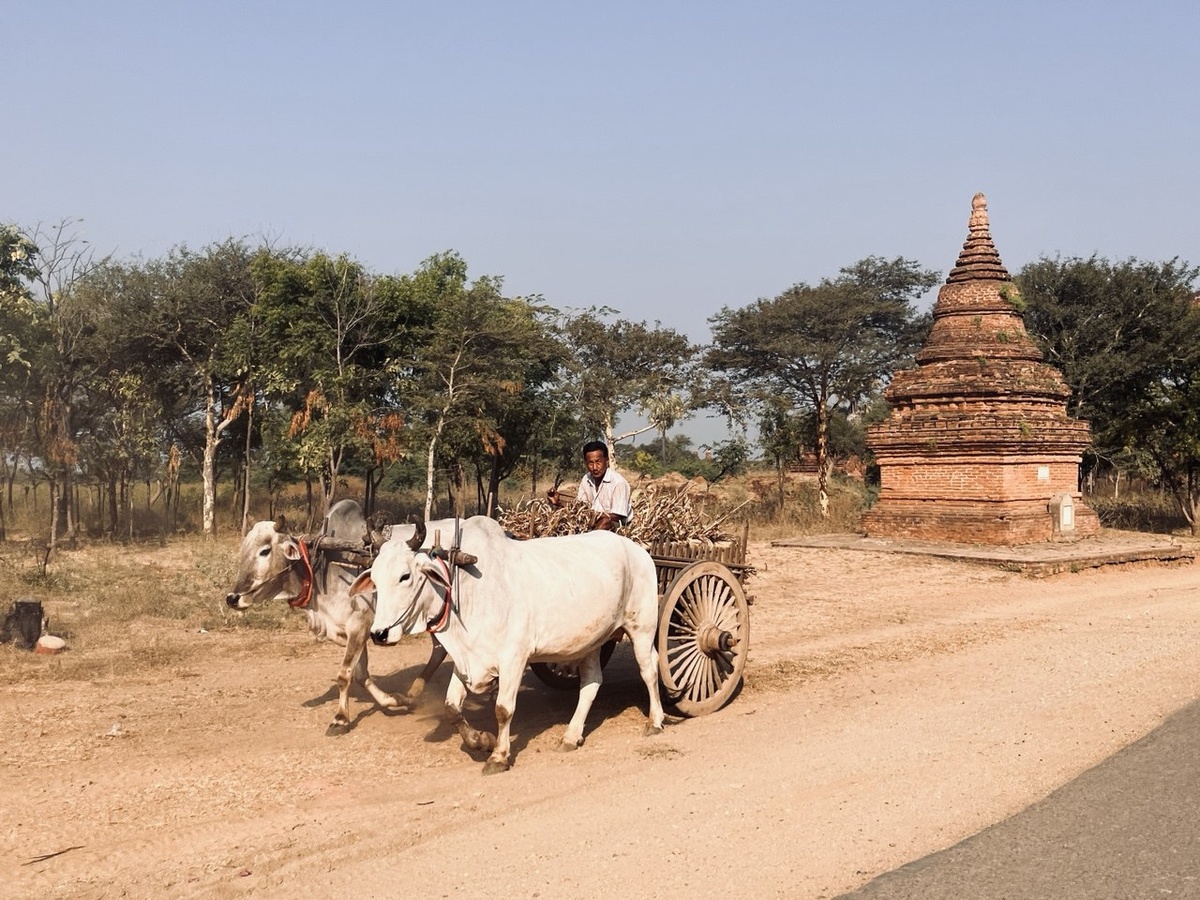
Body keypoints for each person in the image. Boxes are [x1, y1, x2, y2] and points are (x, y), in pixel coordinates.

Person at [547, 440, 632, 532]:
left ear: (606, 460)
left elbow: (618, 516)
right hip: (590, 522)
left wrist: (591, 515)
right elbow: (580, 507)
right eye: (590, 463)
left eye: (598, 462)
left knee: (605, 522)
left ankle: (587, 543)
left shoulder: (618, 483)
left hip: (617, 525)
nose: (595, 467)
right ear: (586, 463)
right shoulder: (586, 479)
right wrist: (558, 503)